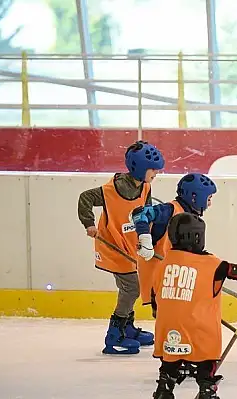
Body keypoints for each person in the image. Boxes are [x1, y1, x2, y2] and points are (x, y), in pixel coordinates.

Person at [151, 213, 237, 399]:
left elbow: (155, 297)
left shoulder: (162, 264)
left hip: (167, 329)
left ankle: (164, 388)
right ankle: (206, 389)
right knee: (206, 359)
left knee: (171, 359)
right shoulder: (212, 264)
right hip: (198, 330)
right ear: (197, 237)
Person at [77, 141, 164, 354]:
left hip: (131, 246)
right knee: (131, 288)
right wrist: (89, 223)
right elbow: (85, 198)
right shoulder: (111, 190)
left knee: (136, 286)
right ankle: (114, 335)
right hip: (113, 246)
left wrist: (149, 239)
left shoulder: (145, 186)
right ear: (141, 168)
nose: (157, 173)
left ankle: (128, 327)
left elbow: (147, 212)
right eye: (154, 170)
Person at [132, 173, 217, 309]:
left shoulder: (191, 218)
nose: (210, 204)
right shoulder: (169, 210)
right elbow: (140, 214)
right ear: (195, 197)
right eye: (208, 199)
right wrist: (145, 239)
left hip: (177, 276)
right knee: (168, 316)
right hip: (160, 278)